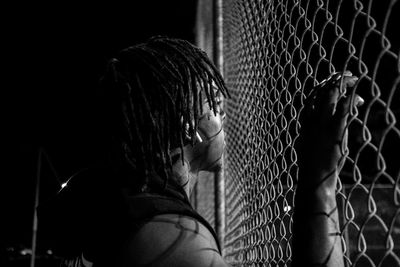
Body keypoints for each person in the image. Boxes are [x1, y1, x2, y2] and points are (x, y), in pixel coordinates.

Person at [38, 36, 363, 267]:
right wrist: (319, 177)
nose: (225, 120)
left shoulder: (130, 210)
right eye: (216, 107)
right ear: (186, 125)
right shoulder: (170, 238)